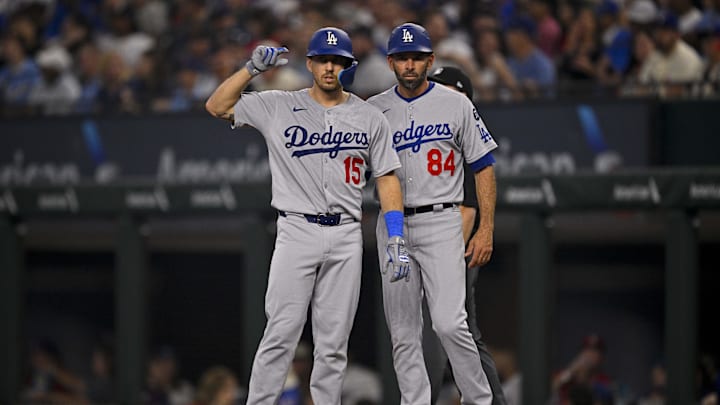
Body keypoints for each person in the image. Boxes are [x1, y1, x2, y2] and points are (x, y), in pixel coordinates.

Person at [205, 26, 409, 405]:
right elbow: (216, 105)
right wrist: (250, 69)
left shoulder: (368, 117)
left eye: (337, 61)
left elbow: (387, 180)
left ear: (347, 65)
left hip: (347, 233)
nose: (330, 68)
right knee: (280, 333)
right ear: (310, 63)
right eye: (323, 60)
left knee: (333, 344)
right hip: (296, 228)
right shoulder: (279, 104)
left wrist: (396, 234)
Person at [367, 22, 498, 405]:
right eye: (403, 58)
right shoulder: (374, 110)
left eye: (417, 58)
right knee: (404, 331)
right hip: (394, 226)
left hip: (442, 219)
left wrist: (486, 227)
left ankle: (479, 400)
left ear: (430, 60)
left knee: (449, 322)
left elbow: (484, 166)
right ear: (391, 62)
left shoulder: (456, 103)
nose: (410, 65)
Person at [421, 65, 507, 405]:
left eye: (448, 91)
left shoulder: (464, 135)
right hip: (436, 249)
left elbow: (468, 208)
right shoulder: (435, 138)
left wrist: (445, 258)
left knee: (460, 333)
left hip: (455, 250)